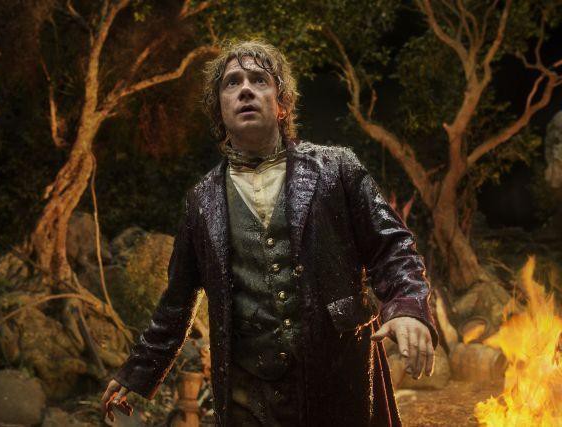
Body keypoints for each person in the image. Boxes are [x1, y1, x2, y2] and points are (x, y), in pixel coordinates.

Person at [101, 40, 437, 426]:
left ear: (282, 105)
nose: (245, 89)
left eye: (259, 80)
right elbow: (177, 302)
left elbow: (392, 247)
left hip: (338, 376)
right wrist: (137, 373)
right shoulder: (201, 202)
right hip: (249, 395)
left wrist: (408, 307)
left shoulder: (336, 169)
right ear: (219, 110)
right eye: (232, 82)